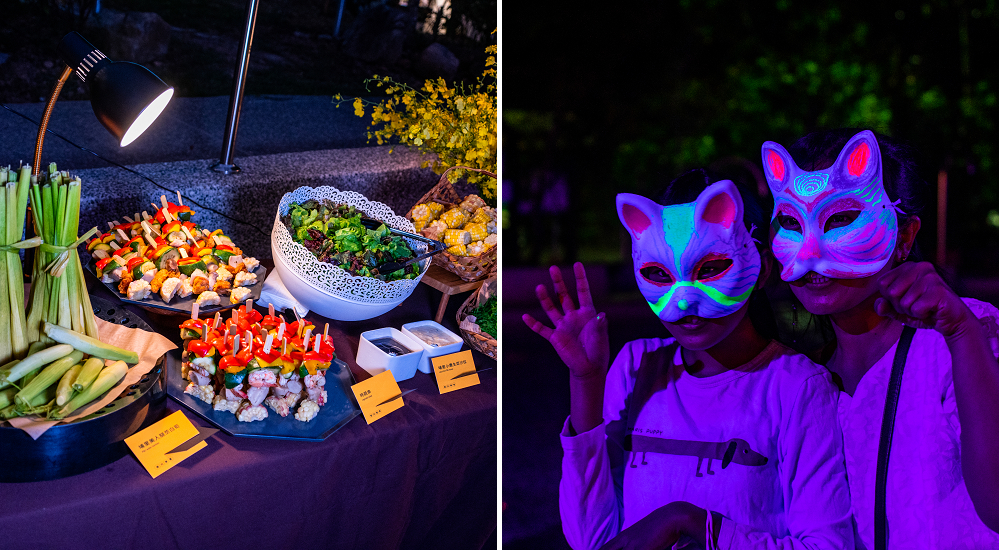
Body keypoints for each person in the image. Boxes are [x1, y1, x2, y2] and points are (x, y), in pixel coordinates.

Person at [523, 169, 854, 550]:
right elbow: (591, 539)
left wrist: (689, 522)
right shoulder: (636, 366)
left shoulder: (798, 388)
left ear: (761, 267)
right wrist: (586, 383)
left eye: (710, 269)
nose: (683, 301)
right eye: (659, 274)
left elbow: (827, 545)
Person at [761, 128, 999, 548]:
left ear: (904, 237)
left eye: (839, 219)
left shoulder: (968, 335)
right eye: (791, 223)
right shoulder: (798, 380)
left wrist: (963, 335)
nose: (810, 249)